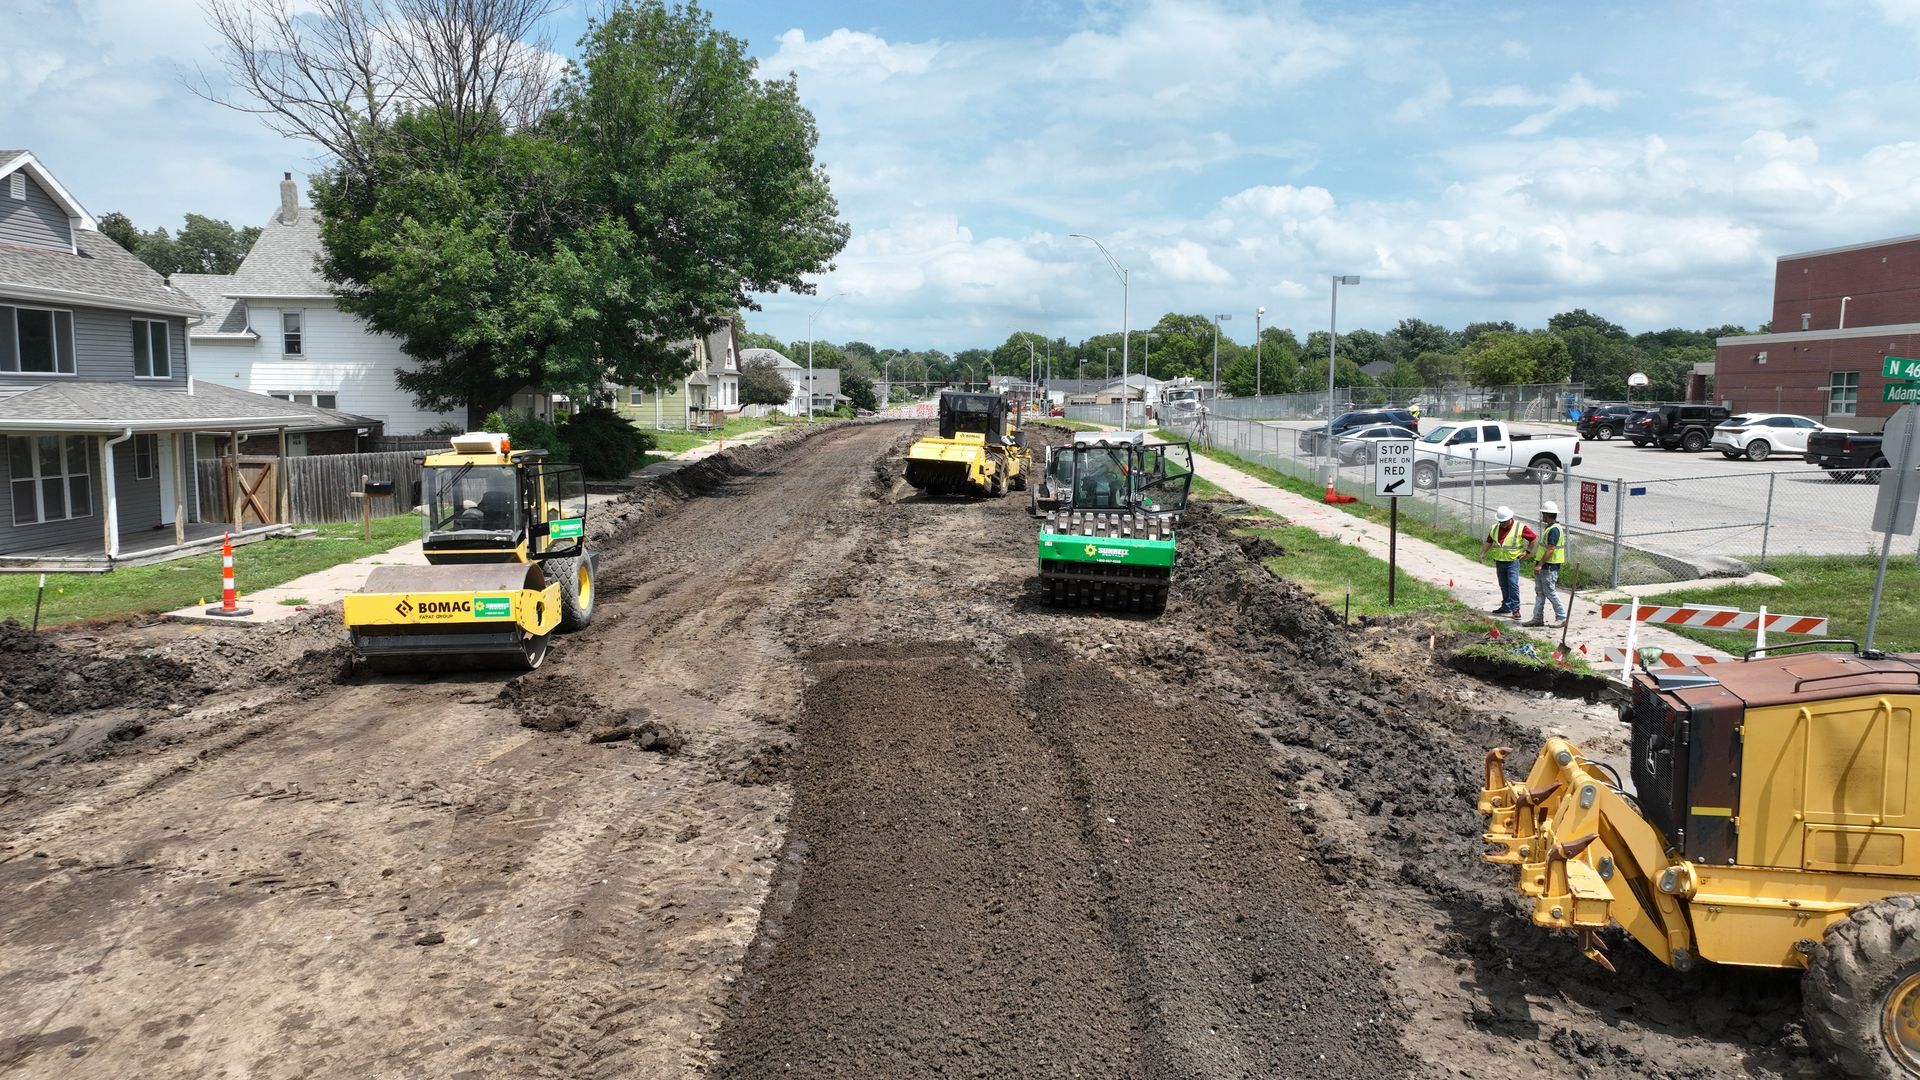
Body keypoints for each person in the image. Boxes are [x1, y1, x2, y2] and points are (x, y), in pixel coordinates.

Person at [1524, 501, 1568, 627]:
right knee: (1540, 592)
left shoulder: (1554, 530)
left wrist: (1540, 565)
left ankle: (1561, 617)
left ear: (1547, 515)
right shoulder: (1550, 528)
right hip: (1544, 566)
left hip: (1549, 566)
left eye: (1543, 514)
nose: (1542, 516)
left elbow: (1550, 549)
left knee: (1549, 592)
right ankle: (1537, 618)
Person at [1478, 505, 1526, 619]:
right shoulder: (1495, 528)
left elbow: (1533, 538)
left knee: (1513, 584)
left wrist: (1527, 552)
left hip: (1512, 561)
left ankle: (1515, 609)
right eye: (1501, 522)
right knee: (1503, 585)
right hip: (1500, 561)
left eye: (1504, 521)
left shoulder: (1519, 527)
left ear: (1510, 518)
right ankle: (1506, 606)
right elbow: (1489, 541)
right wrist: (1483, 553)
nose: (1503, 524)